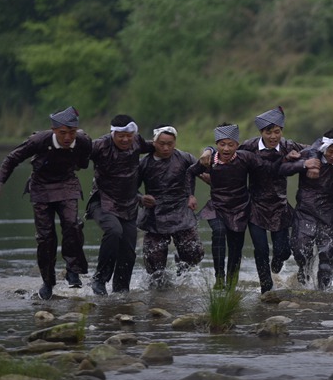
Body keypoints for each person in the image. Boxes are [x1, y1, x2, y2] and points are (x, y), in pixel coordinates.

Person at [0, 107, 92, 300]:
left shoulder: (83, 141)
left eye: (72, 132)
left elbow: (83, 163)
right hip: (41, 187)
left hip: (67, 184)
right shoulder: (38, 140)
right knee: (45, 238)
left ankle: (72, 269)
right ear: (53, 130)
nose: (68, 137)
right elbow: (12, 159)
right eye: (63, 133)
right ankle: (48, 282)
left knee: (72, 225)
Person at [200, 107, 304, 294]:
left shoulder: (289, 146)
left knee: (283, 251)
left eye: (277, 132)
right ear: (261, 132)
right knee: (261, 249)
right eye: (268, 132)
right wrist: (207, 150)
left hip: (280, 205)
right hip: (255, 206)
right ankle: (266, 288)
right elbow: (225, 149)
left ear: (282, 131)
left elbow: (315, 149)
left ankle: (277, 262)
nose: (273, 136)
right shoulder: (249, 147)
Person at [187, 123, 269, 290]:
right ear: (217, 144)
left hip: (240, 208)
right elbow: (189, 173)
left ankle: (231, 283)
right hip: (216, 207)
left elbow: (265, 169)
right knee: (219, 231)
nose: (226, 148)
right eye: (222, 144)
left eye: (230, 144)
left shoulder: (245, 158)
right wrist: (190, 195)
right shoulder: (208, 160)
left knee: (235, 246)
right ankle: (219, 278)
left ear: (237, 146)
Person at [280, 129, 333, 289]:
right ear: (324, 147)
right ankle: (304, 272)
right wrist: (302, 165)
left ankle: (324, 292)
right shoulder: (308, 154)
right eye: (331, 151)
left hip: (327, 213)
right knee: (301, 250)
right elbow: (282, 169)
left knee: (327, 254)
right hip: (305, 211)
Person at [87, 114, 154, 295]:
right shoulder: (100, 145)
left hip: (128, 205)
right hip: (102, 202)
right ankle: (100, 279)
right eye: (120, 135)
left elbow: (160, 147)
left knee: (128, 251)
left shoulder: (138, 142)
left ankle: (121, 292)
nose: (125, 139)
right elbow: (73, 156)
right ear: (112, 133)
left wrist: (209, 150)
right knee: (114, 231)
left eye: (129, 135)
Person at [137, 125, 204, 288]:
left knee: (193, 252)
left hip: (181, 210)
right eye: (161, 144)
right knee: (154, 261)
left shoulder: (185, 157)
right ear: (154, 142)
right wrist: (141, 198)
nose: (166, 148)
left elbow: (199, 171)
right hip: (155, 214)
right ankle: (158, 291)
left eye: (170, 144)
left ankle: (183, 271)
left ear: (175, 142)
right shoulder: (144, 163)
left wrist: (191, 194)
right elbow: (130, 188)